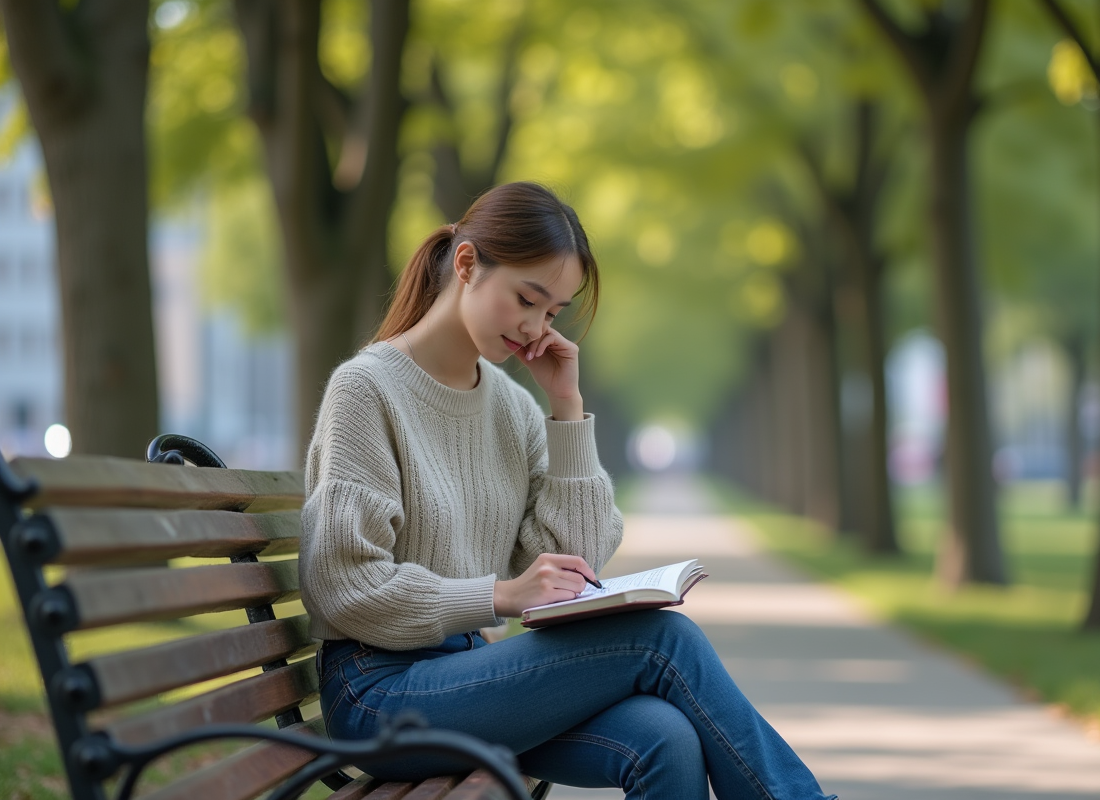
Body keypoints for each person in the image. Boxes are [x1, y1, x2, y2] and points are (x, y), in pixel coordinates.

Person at [300, 181, 836, 799]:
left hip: (469, 677)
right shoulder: (366, 391)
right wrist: (498, 595)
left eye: (553, 313)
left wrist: (566, 408)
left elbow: (573, 559)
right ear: (468, 264)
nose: (535, 329)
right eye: (527, 299)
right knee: (662, 638)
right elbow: (344, 586)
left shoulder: (512, 409)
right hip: (381, 692)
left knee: (666, 737)